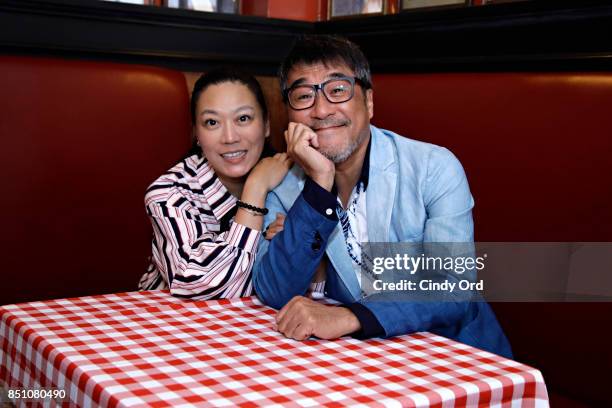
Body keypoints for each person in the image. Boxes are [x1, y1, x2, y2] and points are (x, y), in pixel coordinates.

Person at [253, 35, 512, 358]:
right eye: (304, 96)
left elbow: (451, 284)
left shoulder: (433, 167)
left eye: (338, 90)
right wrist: (319, 186)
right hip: (364, 361)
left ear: (370, 102)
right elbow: (273, 290)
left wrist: (349, 317)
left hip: (457, 356)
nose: (320, 110)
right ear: (289, 115)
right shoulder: (287, 185)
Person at [138, 67, 292, 299]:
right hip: (172, 323)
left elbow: (332, 283)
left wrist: (302, 244)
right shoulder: (169, 194)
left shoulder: (294, 179)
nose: (230, 137)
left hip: (264, 324)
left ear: (267, 125)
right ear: (196, 135)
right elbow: (196, 286)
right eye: (212, 122)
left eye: (243, 118)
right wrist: (255, 189)